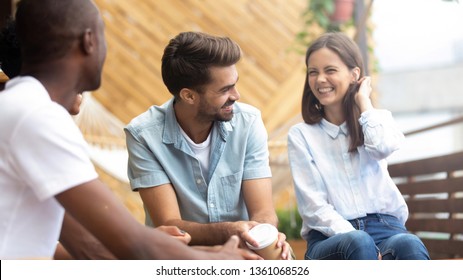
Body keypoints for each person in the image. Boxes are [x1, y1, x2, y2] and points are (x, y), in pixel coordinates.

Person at [0, 0, 256, 260]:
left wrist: (200, 253)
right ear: (89, 41)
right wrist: (218, 261)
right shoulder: (36, 117)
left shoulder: (21, 108)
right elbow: (129, 242)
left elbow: (90, 248)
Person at [125, 31, 291, 259]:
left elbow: (263, 211)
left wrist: (264, 233)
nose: (236, 95)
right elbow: (170, 225)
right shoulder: (143, 136)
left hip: (245, 250)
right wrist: (228, 233)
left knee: (280, 256)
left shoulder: (248, 122)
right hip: (182, 259)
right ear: (189, 96)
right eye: (225, 90)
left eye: (235, 85)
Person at [287, 32, 430, 260]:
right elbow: (314, 207)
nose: (320, 79)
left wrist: (363, 102)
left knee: (409, 244)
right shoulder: (301, 135)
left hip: (386, 228)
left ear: (355, 75)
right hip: (330, 238)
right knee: (358, 241)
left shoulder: (377, 119)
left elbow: (382, 147)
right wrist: (363, 243)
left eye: (330, 70)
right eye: (313, 72)